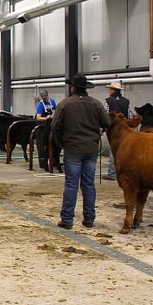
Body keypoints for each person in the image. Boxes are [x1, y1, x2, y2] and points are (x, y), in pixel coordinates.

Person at [51, 73, 110, 229]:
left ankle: (67, 220)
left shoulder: (65, 104)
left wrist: (60, 143)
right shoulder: (96, 104)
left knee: (71, 184)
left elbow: (55, 125)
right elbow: (107, 122)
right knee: (89, 184)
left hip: (72, 148)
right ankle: (89, 219)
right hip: (91, 149)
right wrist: (98, 132)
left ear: (73, 87)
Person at [102, 81, 133, 181]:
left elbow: (105, 116)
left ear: (113, 90)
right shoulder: (126, 101)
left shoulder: (108, 101)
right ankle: (124, 172)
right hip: (124, 130)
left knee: (113, 152)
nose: (109, 91)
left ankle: (112, 173)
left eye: (110, 89)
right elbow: (130, 116)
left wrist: (102, 129)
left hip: (113, 129)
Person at [35, 89, 57, 171]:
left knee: (52, 143)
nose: (45, 99)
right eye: (43, 98)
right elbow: (38, 117)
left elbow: (57, 110)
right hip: (41, 126)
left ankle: (54, 161)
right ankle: (42, 163)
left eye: (46, 97)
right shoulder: (40, 105)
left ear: (48, 95)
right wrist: (46, 118)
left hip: (49, 125)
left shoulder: (52, 102)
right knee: (41, 145)